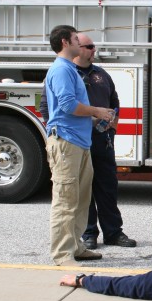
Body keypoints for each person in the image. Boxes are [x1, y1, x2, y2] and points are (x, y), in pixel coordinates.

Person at [43, 33, 136, 250]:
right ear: (72, 45)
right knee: (77, 193)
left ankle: (113, 232)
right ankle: (89, 234)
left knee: (106, 187)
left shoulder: (100, 74)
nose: (94, 50)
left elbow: (114, 101)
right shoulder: (64, 71)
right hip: (74, 140)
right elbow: (50, 107)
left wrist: (112, 127)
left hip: (100, 139)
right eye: (89, 46)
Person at [44, 25, 115, 267]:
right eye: (76, 38)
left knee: (80, 199)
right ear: (65, 42)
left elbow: (73, 109)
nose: (80, 42)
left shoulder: (70, 69)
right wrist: (96, 110)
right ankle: (62, 254)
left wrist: (96, 118)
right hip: (66, 144)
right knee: (65, 200)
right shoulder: (62, 70)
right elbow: (66, 105)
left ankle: (76, 246)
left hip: (79, 143)